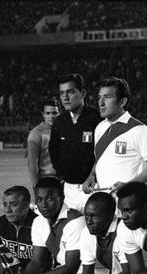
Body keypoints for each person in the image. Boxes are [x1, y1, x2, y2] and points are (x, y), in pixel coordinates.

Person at [13, 177, 96, 274]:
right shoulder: (39, 222)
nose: (44, 205)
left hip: (87, 273)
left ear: (62, 198)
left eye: (50, 198)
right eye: (39, 199)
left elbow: (71, 267)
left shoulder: (75, 221)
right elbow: (37, 260)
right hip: (66, 273)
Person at [82, 77, 147, 194]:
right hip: (102, 199)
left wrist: (128, 186)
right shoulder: (100, 127)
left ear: (122, 102)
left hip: (127, 200)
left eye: (107, 97)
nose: (101, 103)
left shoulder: (138, 129)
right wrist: (91, 175)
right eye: (99, 97)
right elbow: (100, 159)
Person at [68, 192, 130, 274]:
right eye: (86, 215)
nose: (88, 221)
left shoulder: (123, 230)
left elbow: (127, 272)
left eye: (94, 216)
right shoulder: (87, 233)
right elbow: (87, 271)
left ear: (110, 217)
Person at [49, 73, 100, 212]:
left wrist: (93, 175)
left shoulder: (97, 118)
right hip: (69, 188)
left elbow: (103, 153)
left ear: (82, 93)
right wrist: (62, 175)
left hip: (93, 187)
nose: (65, 97)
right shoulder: (60, 122)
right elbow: (53, 151)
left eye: (70, 92)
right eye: (61, 93)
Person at [27, 98, 60, 188]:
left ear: (59, 113)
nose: (51, 116)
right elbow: (32, 163)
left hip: (65, 181)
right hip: (46, 180)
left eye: (54, 113)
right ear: (43, 114)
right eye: (48, 113)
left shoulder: (65, 130)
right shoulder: (36, 133)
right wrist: (36, 186)